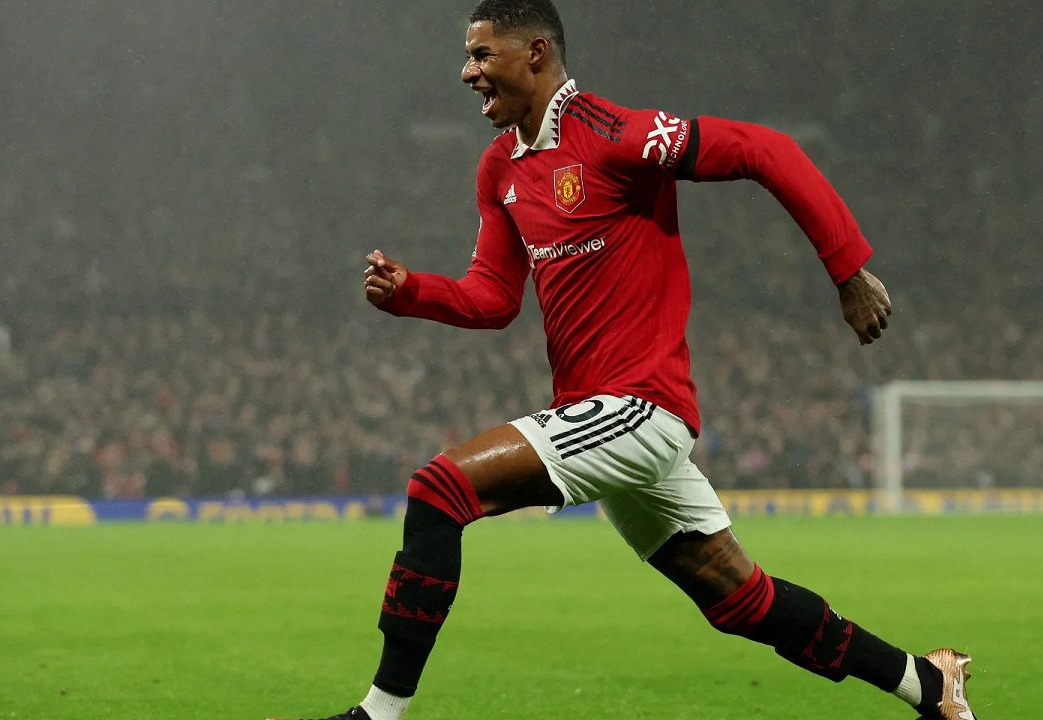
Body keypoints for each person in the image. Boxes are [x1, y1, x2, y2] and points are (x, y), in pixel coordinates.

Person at [289, 2, 978, 719]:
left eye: (482, 55)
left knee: (439, 491)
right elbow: (493, 297)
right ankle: (928, 685)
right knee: (739, 599)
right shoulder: (499, 169)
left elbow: (766, 150)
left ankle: (378, 714)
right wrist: (411, 291)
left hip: (642, 405)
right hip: (599, 416)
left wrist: (848, 268)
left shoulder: (616, 135)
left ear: (535, 53)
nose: (467, 72)